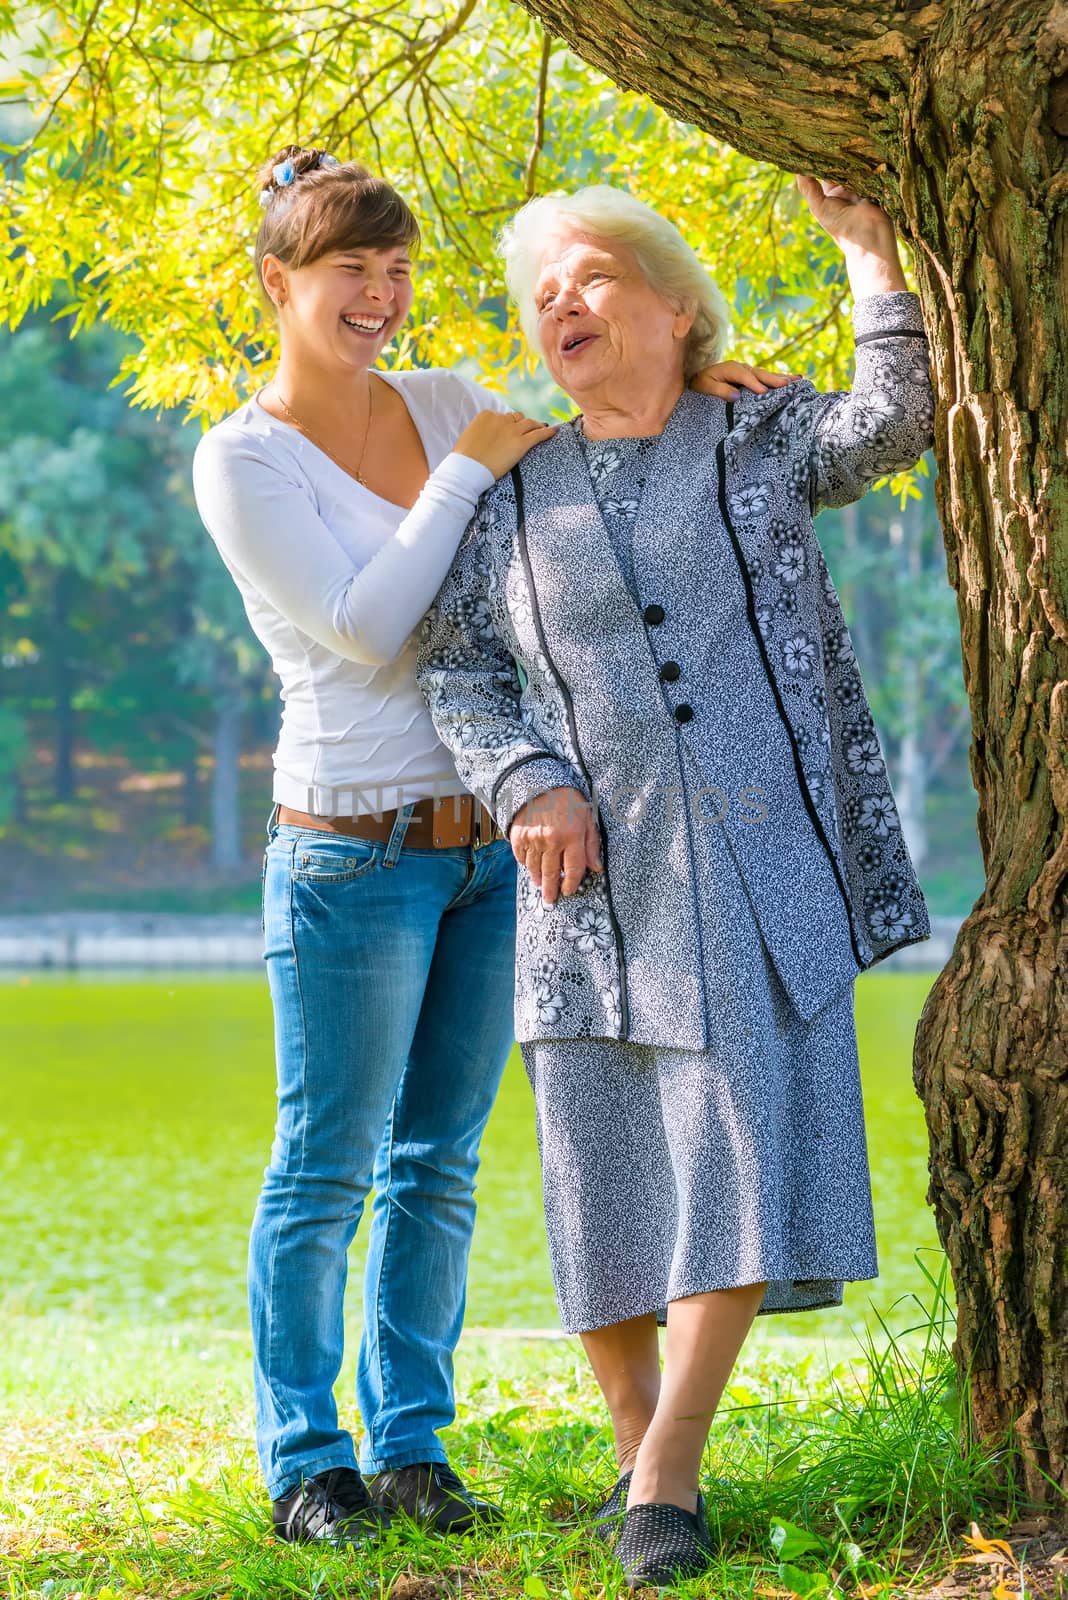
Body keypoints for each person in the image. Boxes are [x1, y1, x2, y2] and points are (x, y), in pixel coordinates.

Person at [192, 144, 790, 1550]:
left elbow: (579, 466)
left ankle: (411, 1450)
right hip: (352, 850)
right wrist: (463, 470)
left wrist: (688, 394)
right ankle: (307, 1460)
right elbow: (371, 620)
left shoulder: (449, 402)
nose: (382, 298)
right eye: (353, 272)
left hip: (492, 853)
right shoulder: (243, 458)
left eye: (398, 272)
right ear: (280, 284)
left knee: (438, 1164)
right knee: (325, 1163)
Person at [417, 175, 935, 1588]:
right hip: (583, 869)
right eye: (542, 297)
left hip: (759, 853)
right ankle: (650, 1469)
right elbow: (459, 668)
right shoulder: (514, 485)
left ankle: (667, 1473)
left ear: (670, 304)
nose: (560, 308)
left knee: (737, 1160)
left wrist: (867, 257)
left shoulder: (758, 432)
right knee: (597, 1174)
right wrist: (526, 782)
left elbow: (893, 422)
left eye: (587, 279)